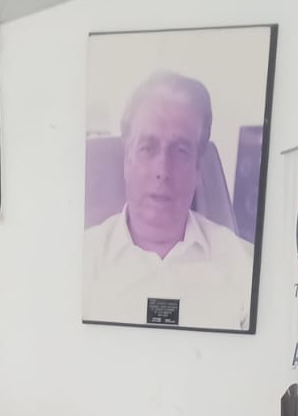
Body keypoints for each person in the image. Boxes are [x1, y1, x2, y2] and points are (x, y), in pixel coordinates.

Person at [82, 70, 253, 330]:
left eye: (181, 151)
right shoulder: (80, 262)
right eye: (147, 148)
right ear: (127, 159)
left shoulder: (243, 266)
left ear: (197, 167)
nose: (163, 170)